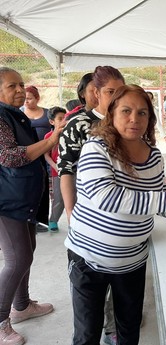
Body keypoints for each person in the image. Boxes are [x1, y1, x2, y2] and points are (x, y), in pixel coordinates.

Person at [65, 84, 166, 345]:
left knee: (129, 331)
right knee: (87, 334)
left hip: (131, 262)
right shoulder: (97, 148)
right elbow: (105, 197)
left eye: (142, 113)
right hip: (88, 259)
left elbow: (157, 205)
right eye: (126, 111)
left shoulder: (153, 157)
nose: (134, 119)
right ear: (112, 114)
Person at [58, 66, 125, 345]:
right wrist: (73, 215)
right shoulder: (79, 124)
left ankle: (113, 329)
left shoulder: (123, 121)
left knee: (118, 295)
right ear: (95, 93)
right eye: (110, 92)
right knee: (87, 314)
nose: (116, 98)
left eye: (120, 92)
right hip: (89, 226)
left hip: (119, 222)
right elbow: (66, 172)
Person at [0, 67, 63, 345]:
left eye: (21, 85)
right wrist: (50, 140)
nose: (20, 91)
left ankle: (22, 306)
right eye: (12, 86)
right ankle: (2, 321)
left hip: (24, 197)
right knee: (17, 259)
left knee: (29, 252)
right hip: (7, 201)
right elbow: (10, 157)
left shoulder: (15, 114)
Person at [20, 85, 51, 233]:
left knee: (44, 187)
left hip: (45, 155)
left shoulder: (46, 113)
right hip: (27, 156)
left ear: (37, 98)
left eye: (30, 99)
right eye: (25, 99)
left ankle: (41, 219)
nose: (27, 102)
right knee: (28, 187)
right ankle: (28, 218)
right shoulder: (19, 114)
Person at [44, 106, 67, 232]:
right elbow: (46, 154)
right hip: (56, 171)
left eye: (65, 117)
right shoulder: (48, 136)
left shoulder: (71, 133)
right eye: (60, 118)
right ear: (52, 122)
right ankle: (53, 220)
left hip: (72, 171)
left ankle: (74, 220)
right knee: (58, 198)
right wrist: (55, 166)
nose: (64, 120)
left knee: (73, 197)